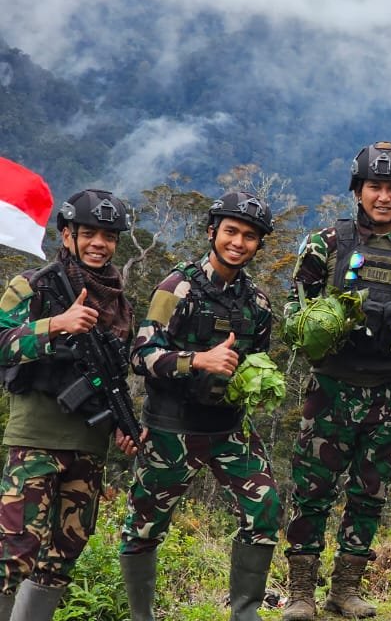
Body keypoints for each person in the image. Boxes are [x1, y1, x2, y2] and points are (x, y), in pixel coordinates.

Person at [281, 141, 391, 620]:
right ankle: (300, 594)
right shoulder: (326, 244)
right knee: (312, 489)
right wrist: (331, 322)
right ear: (358, 189)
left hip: (389, 390)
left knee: (370, 492)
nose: (384, 196)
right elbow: (295, 312)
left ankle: (345, 590)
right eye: (375, 186)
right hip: (330, 387)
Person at [119, 191, 278, 621]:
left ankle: (245, 612)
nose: (238, 242)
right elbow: (141, 355)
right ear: (212, 232)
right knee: (144, 526)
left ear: (258, 244)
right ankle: (141, 615)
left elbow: (257, 362)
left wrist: (256, 382)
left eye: (249, 236)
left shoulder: (258, 304)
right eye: (230, 231)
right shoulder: (177, 287)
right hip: (171, 427)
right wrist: (198, 361)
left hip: (228, 428)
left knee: (264, 510)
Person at [0, 189, 142, 621]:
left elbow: (117, 378)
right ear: (67, 235)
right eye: (90, 233)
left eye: (109, 236)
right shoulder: (33, 284)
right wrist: (54, 325)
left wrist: (124, 426)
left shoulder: (119, 303)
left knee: (64, 553)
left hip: (89, 444)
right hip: (36, 439)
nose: (100, 243)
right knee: (14, 551)